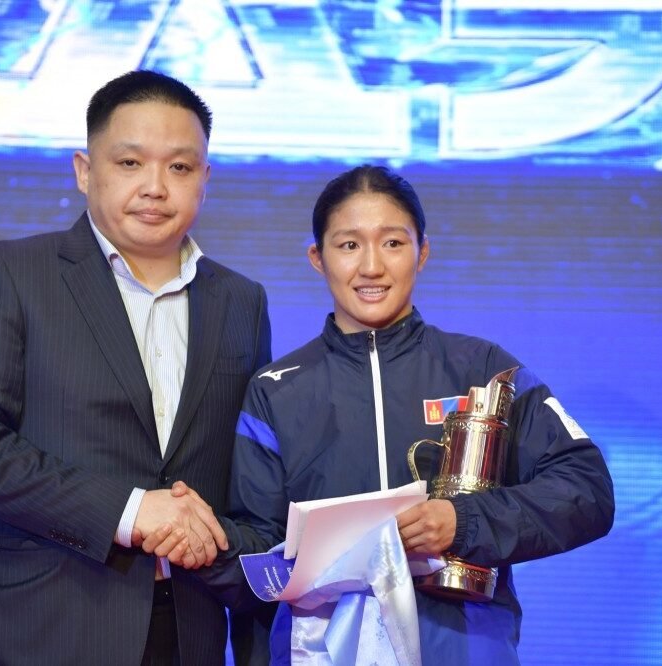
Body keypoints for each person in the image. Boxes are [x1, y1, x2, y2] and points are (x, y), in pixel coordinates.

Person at [191, 165, 614, 664]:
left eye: (393, 243)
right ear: (317, 258)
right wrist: (197, 540)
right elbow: (260, 548)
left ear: (423, 252)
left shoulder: (483, 369)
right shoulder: (275, 391)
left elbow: (587, 489)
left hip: (464, 650)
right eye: (349, 245)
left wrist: (463, 522)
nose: (371, 267)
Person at [0, 70, 271, 665]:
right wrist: (131, 511)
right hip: (39, 627)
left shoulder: (242, 301)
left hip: (187, 628)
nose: (155, 188)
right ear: (85, 171)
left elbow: (250, 473)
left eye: (179, 167)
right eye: (130, 163)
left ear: (205, 179)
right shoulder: (10, 272)